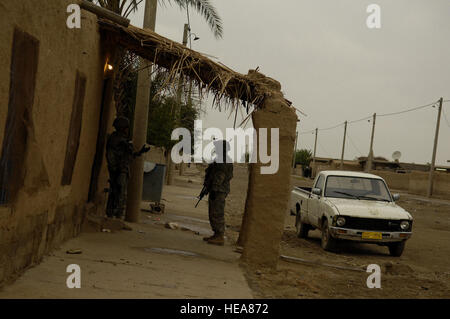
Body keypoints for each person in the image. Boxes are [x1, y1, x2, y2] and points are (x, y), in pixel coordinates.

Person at [105, 116, 150, 219]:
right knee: (117, 192)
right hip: (119, 170)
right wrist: (115, 168)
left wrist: (139, 152)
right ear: (121, 128)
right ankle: (113, 213)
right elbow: (110, 155)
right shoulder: (115, 140)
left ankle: (116, 213)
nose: (127, 130)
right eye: (125, 127)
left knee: (120, 192)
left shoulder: (123, 140)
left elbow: (128, 155)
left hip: (123, 169)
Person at [203, 140, 233, 246]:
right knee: (213, 212)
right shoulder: (220, 159)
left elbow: (220, 176)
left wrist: (214, 188)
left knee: (217, 212)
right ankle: (216, 234)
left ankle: (219, 236)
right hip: (217, 189)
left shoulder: (223, 160)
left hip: (219, 190)